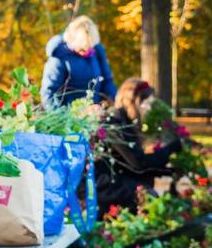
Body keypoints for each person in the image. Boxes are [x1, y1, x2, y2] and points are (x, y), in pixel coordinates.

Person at [95, 78, 183, 215]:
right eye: (145, 102)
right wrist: (169, 149)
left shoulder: (125, 121)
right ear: (133, 101)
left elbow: (133, 165)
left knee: (147, 186)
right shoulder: (113, 122)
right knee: (149, 197)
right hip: (103, 186)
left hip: (118, 178)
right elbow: (138, 163)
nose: (148, 108)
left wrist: (167, 171)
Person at [40, 16, 117, 109]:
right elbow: (48, 95)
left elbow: (107, 82)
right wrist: (70, 116)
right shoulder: (59, 57)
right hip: (70, 117)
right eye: (82, 48)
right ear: (71, 40)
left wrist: (115, 103)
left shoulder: (97, 51)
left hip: (97, 113)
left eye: (90, 47)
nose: (87, 51)